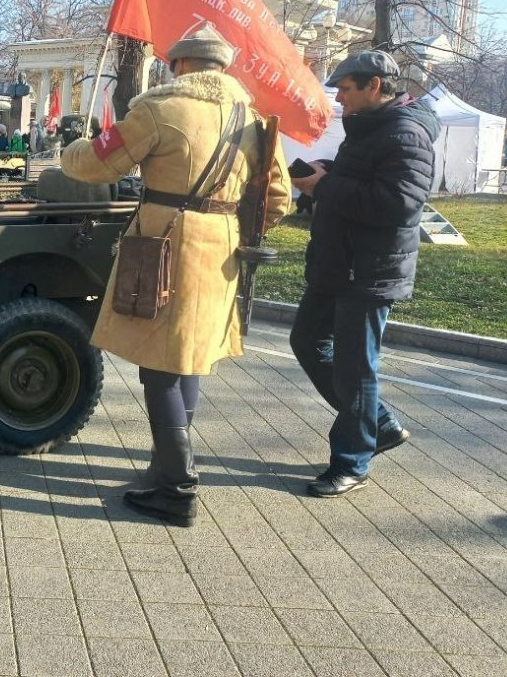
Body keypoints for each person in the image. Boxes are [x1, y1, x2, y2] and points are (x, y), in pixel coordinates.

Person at [61, 30, 289, 526]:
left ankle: (178, 487)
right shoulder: (251, 120)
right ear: (222, 69)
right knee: (189, 358)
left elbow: (95, 164)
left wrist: (72, 145)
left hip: (165, 244)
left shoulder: (159, 109)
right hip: (222, 248)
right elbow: (278, 198)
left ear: (180, 64)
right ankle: (165, 466)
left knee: (160, 363)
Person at [289, 50, 439, 498]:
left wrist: (325, 185)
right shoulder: (371, 128)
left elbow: (398, 204)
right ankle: (380, 424)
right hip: (339, 264)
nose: (338, 98)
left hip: (368, 271)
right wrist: (327, 172)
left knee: (356, 370)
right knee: (307, 341)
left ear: (375, 85)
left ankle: (352, 462)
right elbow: (364, 179)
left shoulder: (406, 133)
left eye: (346, 89)